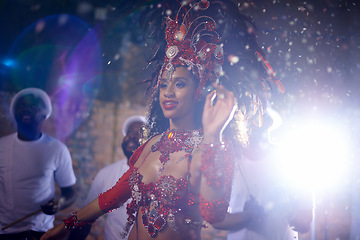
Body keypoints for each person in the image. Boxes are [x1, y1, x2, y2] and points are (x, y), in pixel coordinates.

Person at [41, 0, 284, 239]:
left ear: (198, 90)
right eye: (164, 84)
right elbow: (114, 195)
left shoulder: (208, 148)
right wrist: (69, 223)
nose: (168, 92)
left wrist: (213, 136)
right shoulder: (151, 144)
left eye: (179, 84)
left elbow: (214, 213)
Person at [212, 109, 313, 240]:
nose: (255, 124)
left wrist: (286, 209)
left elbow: (304, 224)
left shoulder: (293, 160)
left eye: (260, 118)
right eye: (251, 118)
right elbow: (216, 219)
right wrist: (248, 216)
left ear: (270, 122)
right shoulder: (229, 160)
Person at [0, 88, 77, 240]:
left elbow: (70, 193)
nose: (26, 109)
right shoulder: (2, 146)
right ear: (14, 113)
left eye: (33, 106)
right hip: (5, 232)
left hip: (40, 232)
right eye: (21, 106)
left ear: (44, 114)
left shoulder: (57, 149)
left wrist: (59, 203)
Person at [68, 115, 146, 240]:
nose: (132, 136)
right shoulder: (106, 173)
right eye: (129, 132)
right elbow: (86, 217)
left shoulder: (154, 175)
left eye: (140, 133)